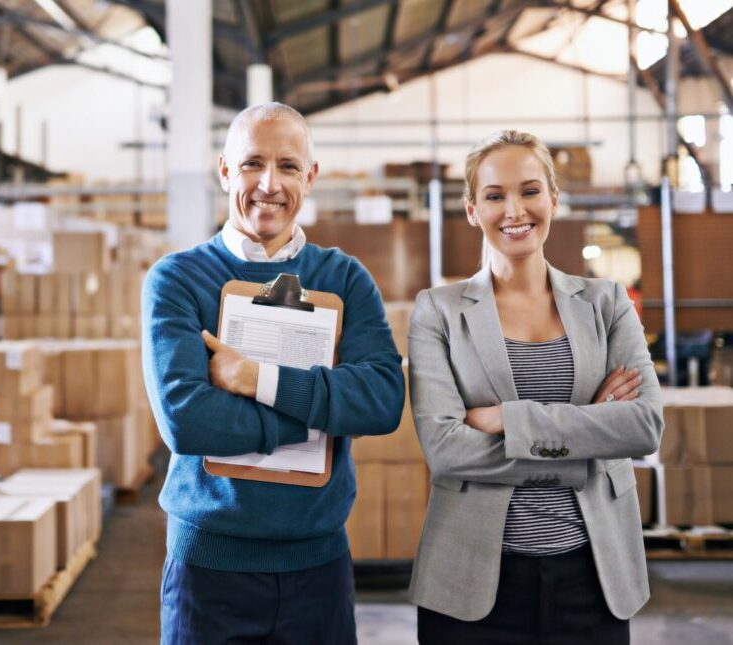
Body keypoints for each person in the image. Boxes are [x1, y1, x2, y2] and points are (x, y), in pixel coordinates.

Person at [141, 102, 404, 644]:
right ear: (223, 171)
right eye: (251, 164)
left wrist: (255, 380)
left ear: (311, 177)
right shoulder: (179, 280)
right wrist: (321, 414)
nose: (269, 184)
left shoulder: (344, 278)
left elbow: (381, 400)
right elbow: (187, 421)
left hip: (319, 567)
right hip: (209, 568)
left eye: (287, 166)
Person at [407, 129, 663, 644]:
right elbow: (446, 450)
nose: (514, 210)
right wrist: (587, 442)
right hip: (472, 579)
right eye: (494, 195)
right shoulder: (438, 311)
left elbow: (644, 425)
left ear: (554, 199)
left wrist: (509, 420)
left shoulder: (606, 303)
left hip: (593, 576)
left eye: (529, 191)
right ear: (472, 209)